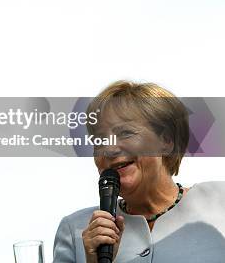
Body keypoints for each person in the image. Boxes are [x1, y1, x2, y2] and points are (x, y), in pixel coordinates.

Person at [53, 81, 225, 262]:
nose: (110, 149)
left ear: (166, 141)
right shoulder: (74, 231)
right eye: (100, 140)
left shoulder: (219, 200)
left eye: (126, 133)